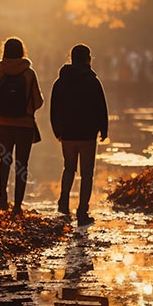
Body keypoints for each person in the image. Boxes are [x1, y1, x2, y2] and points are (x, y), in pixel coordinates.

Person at [50, 44, 109, 226]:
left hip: (67, 134)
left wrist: (57, 130)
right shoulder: (93, 81)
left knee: (69, 168)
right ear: (87, 58)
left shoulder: (60, 81)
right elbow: (101, 107)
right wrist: (103, 129)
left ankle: (63, 203)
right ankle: (82, 211)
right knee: (87, 174)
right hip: (87, 134)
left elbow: (54, 108)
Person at [0, 37, 43, 215]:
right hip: (25, 125)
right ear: (21, 52)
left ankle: (3, 196)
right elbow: (38, 102)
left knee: (4, 160)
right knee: (22, 165)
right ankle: (17, 205)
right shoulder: (29, 74)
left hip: (2, 125)